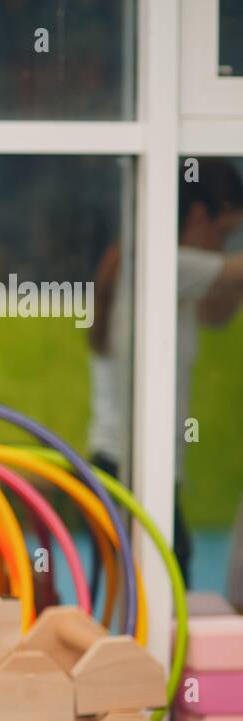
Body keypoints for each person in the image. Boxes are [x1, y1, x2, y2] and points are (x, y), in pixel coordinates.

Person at [88, 159, 243, 592]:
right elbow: (233, 274)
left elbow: (218, 312)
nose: (227, 245)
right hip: (129, 459)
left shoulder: (156, 268)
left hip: (123, 457)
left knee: (139, 587)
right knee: (163, 583)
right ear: (196, 217)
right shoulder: (160, 263)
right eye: (225, 232)